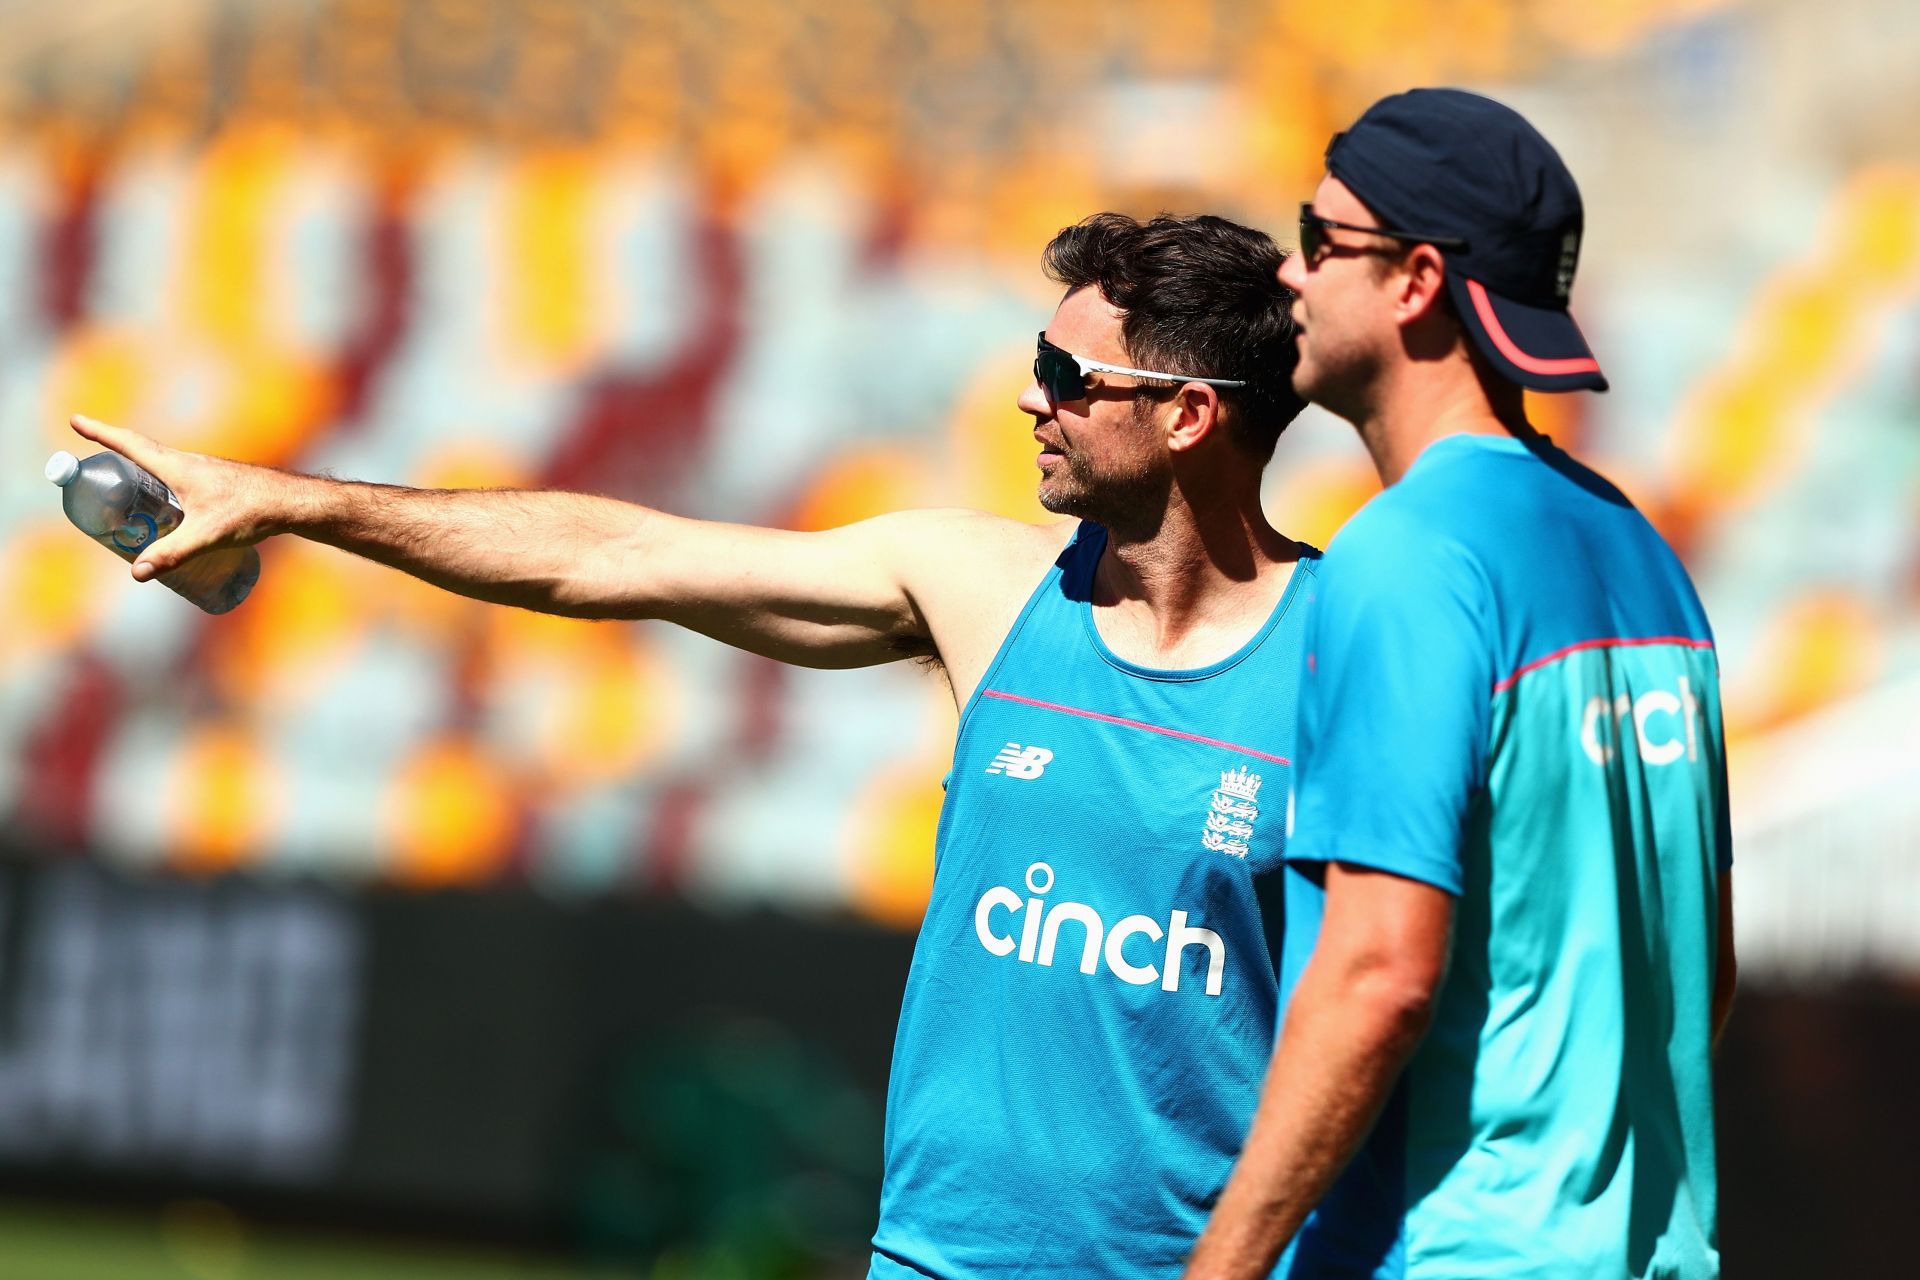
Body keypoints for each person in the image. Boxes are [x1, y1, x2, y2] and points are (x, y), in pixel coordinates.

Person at [73, 212, 1317, 1279]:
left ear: (1190, 415)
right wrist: (303, 501)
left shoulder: (1348, 660)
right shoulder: (984, 587)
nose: (1028, 394)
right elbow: (609, 556)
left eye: (1066, 370)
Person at [1184, 90, 1736, 1280]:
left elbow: (1381, 970)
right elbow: (1706, 963)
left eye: (1321, 238)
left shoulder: (1409, 551)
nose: (1289, 269)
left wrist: (1217, 1268)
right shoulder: (1644, 555)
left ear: (1417, 279)